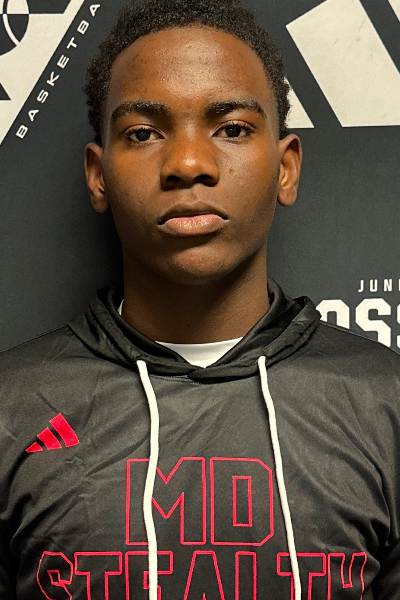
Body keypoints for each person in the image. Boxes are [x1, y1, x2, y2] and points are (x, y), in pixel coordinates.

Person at [0, 0, 400, 598]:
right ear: (98, 175)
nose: (188, 163)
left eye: (231, 128)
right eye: (143, 133)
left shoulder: (386, 404)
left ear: (286, 169)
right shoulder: (11, 409)